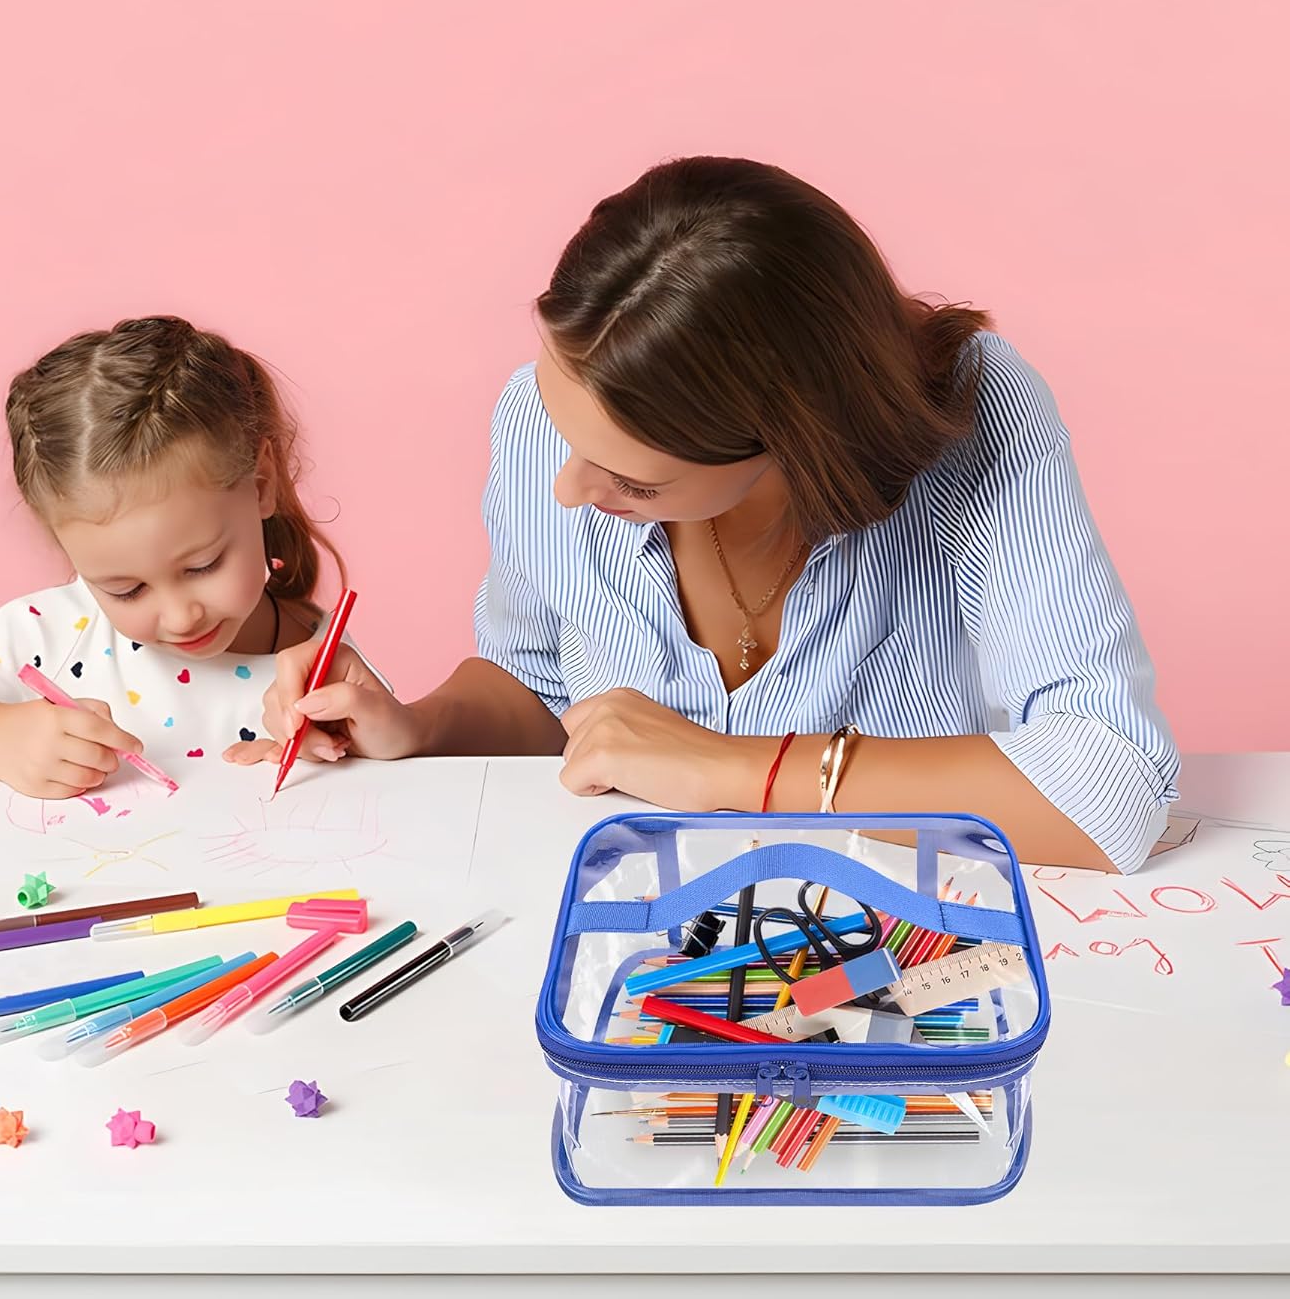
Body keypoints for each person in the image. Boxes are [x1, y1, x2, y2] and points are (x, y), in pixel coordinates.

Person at [262, 157, 1178, 873]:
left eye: (637, 483)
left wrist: (736, 769)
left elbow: (1107, 788)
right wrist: (418, 724)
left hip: (896, 943)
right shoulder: (541, 428)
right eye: (559, 420)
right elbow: (547, 692)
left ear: (792, 439)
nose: (568, 490)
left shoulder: (978, 416)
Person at [0, 315, 369, 797]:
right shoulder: (54, 634)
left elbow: (389, 798)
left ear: (262, 484)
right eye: (126, 589)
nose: (181, 616)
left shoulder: (322, 663)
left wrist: (338, 765)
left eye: (202, 566)